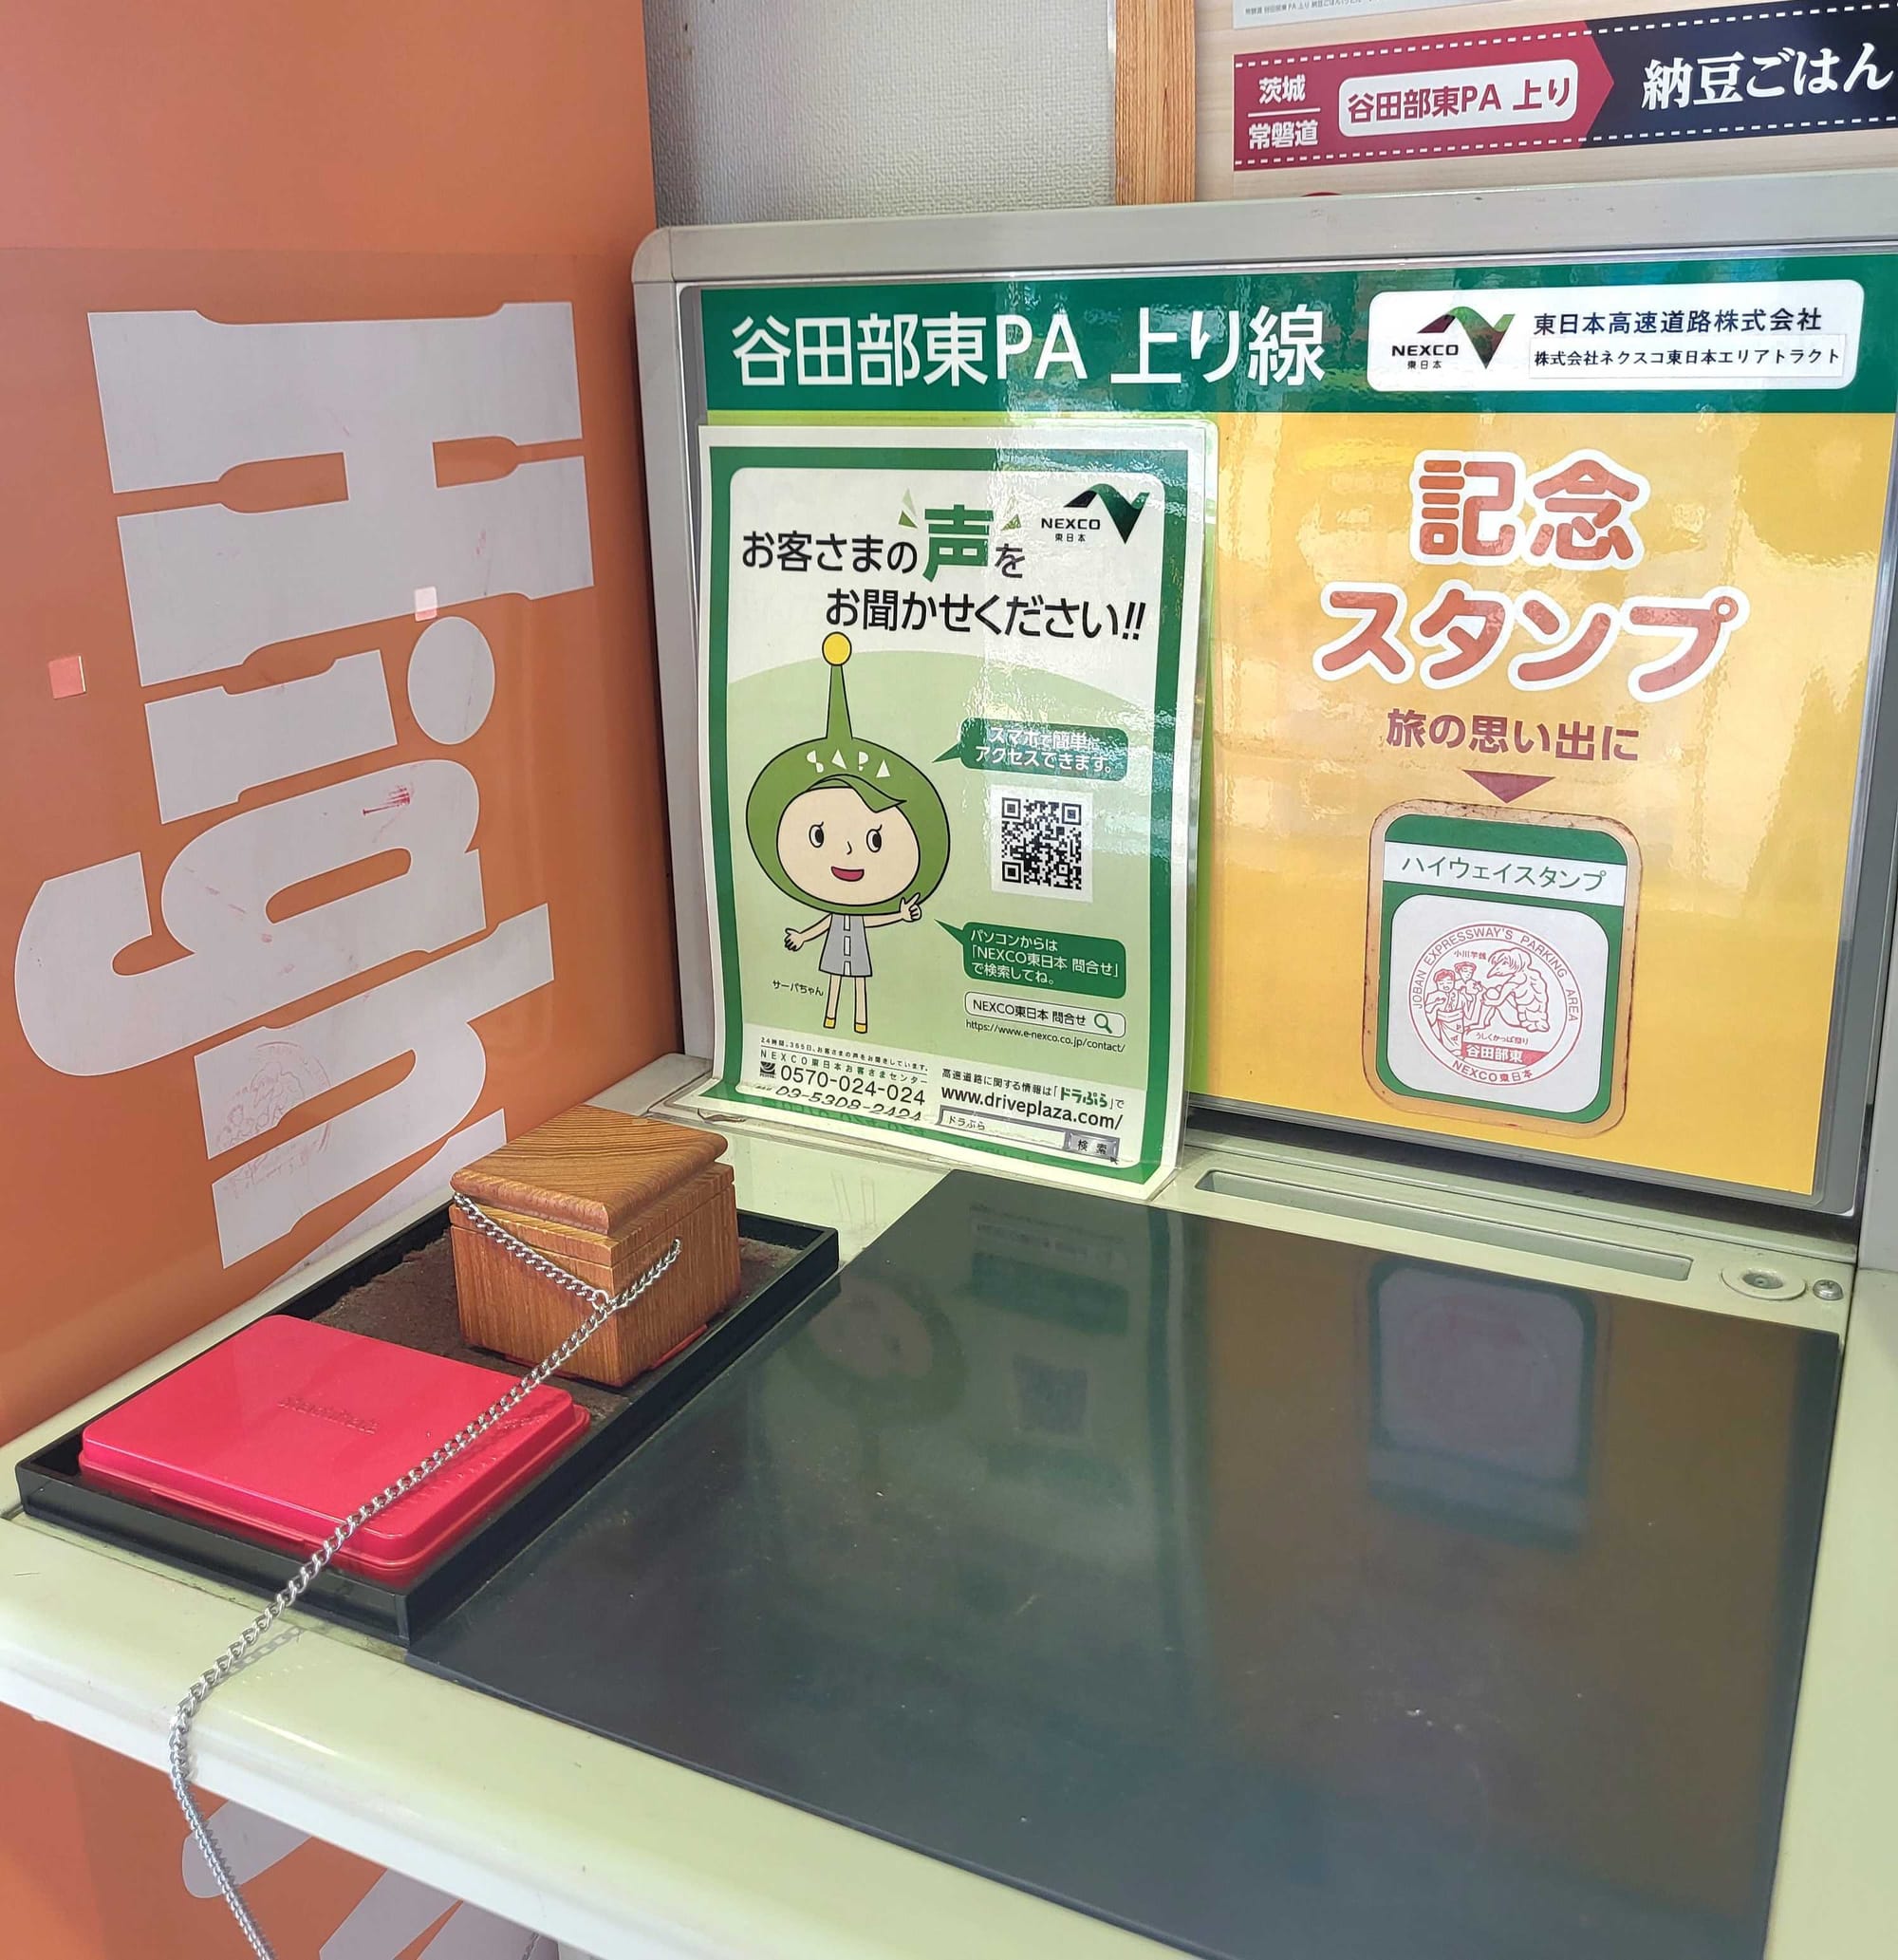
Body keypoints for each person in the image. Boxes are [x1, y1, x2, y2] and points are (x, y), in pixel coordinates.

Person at [745, 633, 951, 1035]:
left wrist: (900, 914)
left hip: (855, 951)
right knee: (838, 980)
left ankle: (859, 1020)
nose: (849, 855)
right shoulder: (839, 911)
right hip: (830, 957)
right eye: (818, 837)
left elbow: (871, 923)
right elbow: (824, 925)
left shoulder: (856, 914)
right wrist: (802, 936)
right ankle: (831, 1017)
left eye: (876, 841)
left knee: (856, 981)